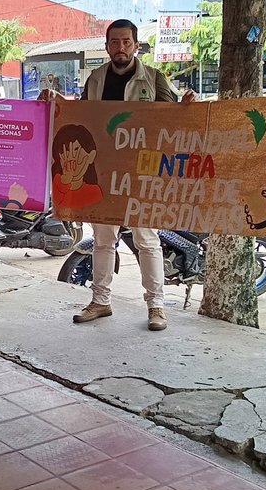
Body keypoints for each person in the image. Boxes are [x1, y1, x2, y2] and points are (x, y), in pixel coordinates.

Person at [43, 19, 194, 332]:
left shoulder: (153, 78)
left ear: (136, 46)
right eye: (114, 42)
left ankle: (156, 306)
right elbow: (82, 117)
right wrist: (60, 103)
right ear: (107, 45)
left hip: (142, 170)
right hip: (102, 171)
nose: (120, 47)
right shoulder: (96, 79)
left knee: (146, 239)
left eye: (126, 42)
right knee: (102, 239)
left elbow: (174, 119)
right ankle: (100, 301)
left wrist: (187, 106)